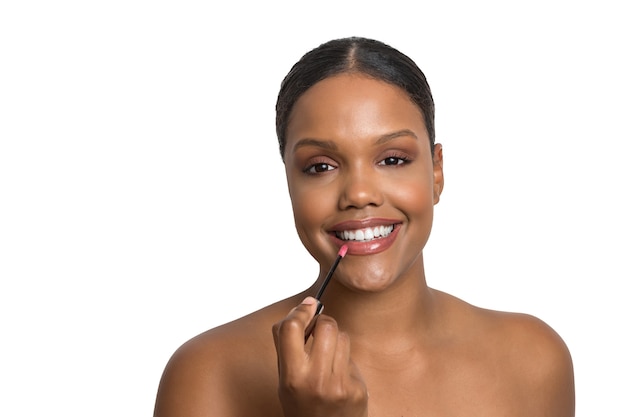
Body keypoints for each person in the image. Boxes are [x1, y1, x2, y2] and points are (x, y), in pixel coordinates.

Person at [153, 36, 575, 417]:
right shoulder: (208, 374)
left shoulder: (534, 359)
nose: (358, 193)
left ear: (437, 173)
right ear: (288, 183)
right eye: (320, 166)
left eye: (392, 159)